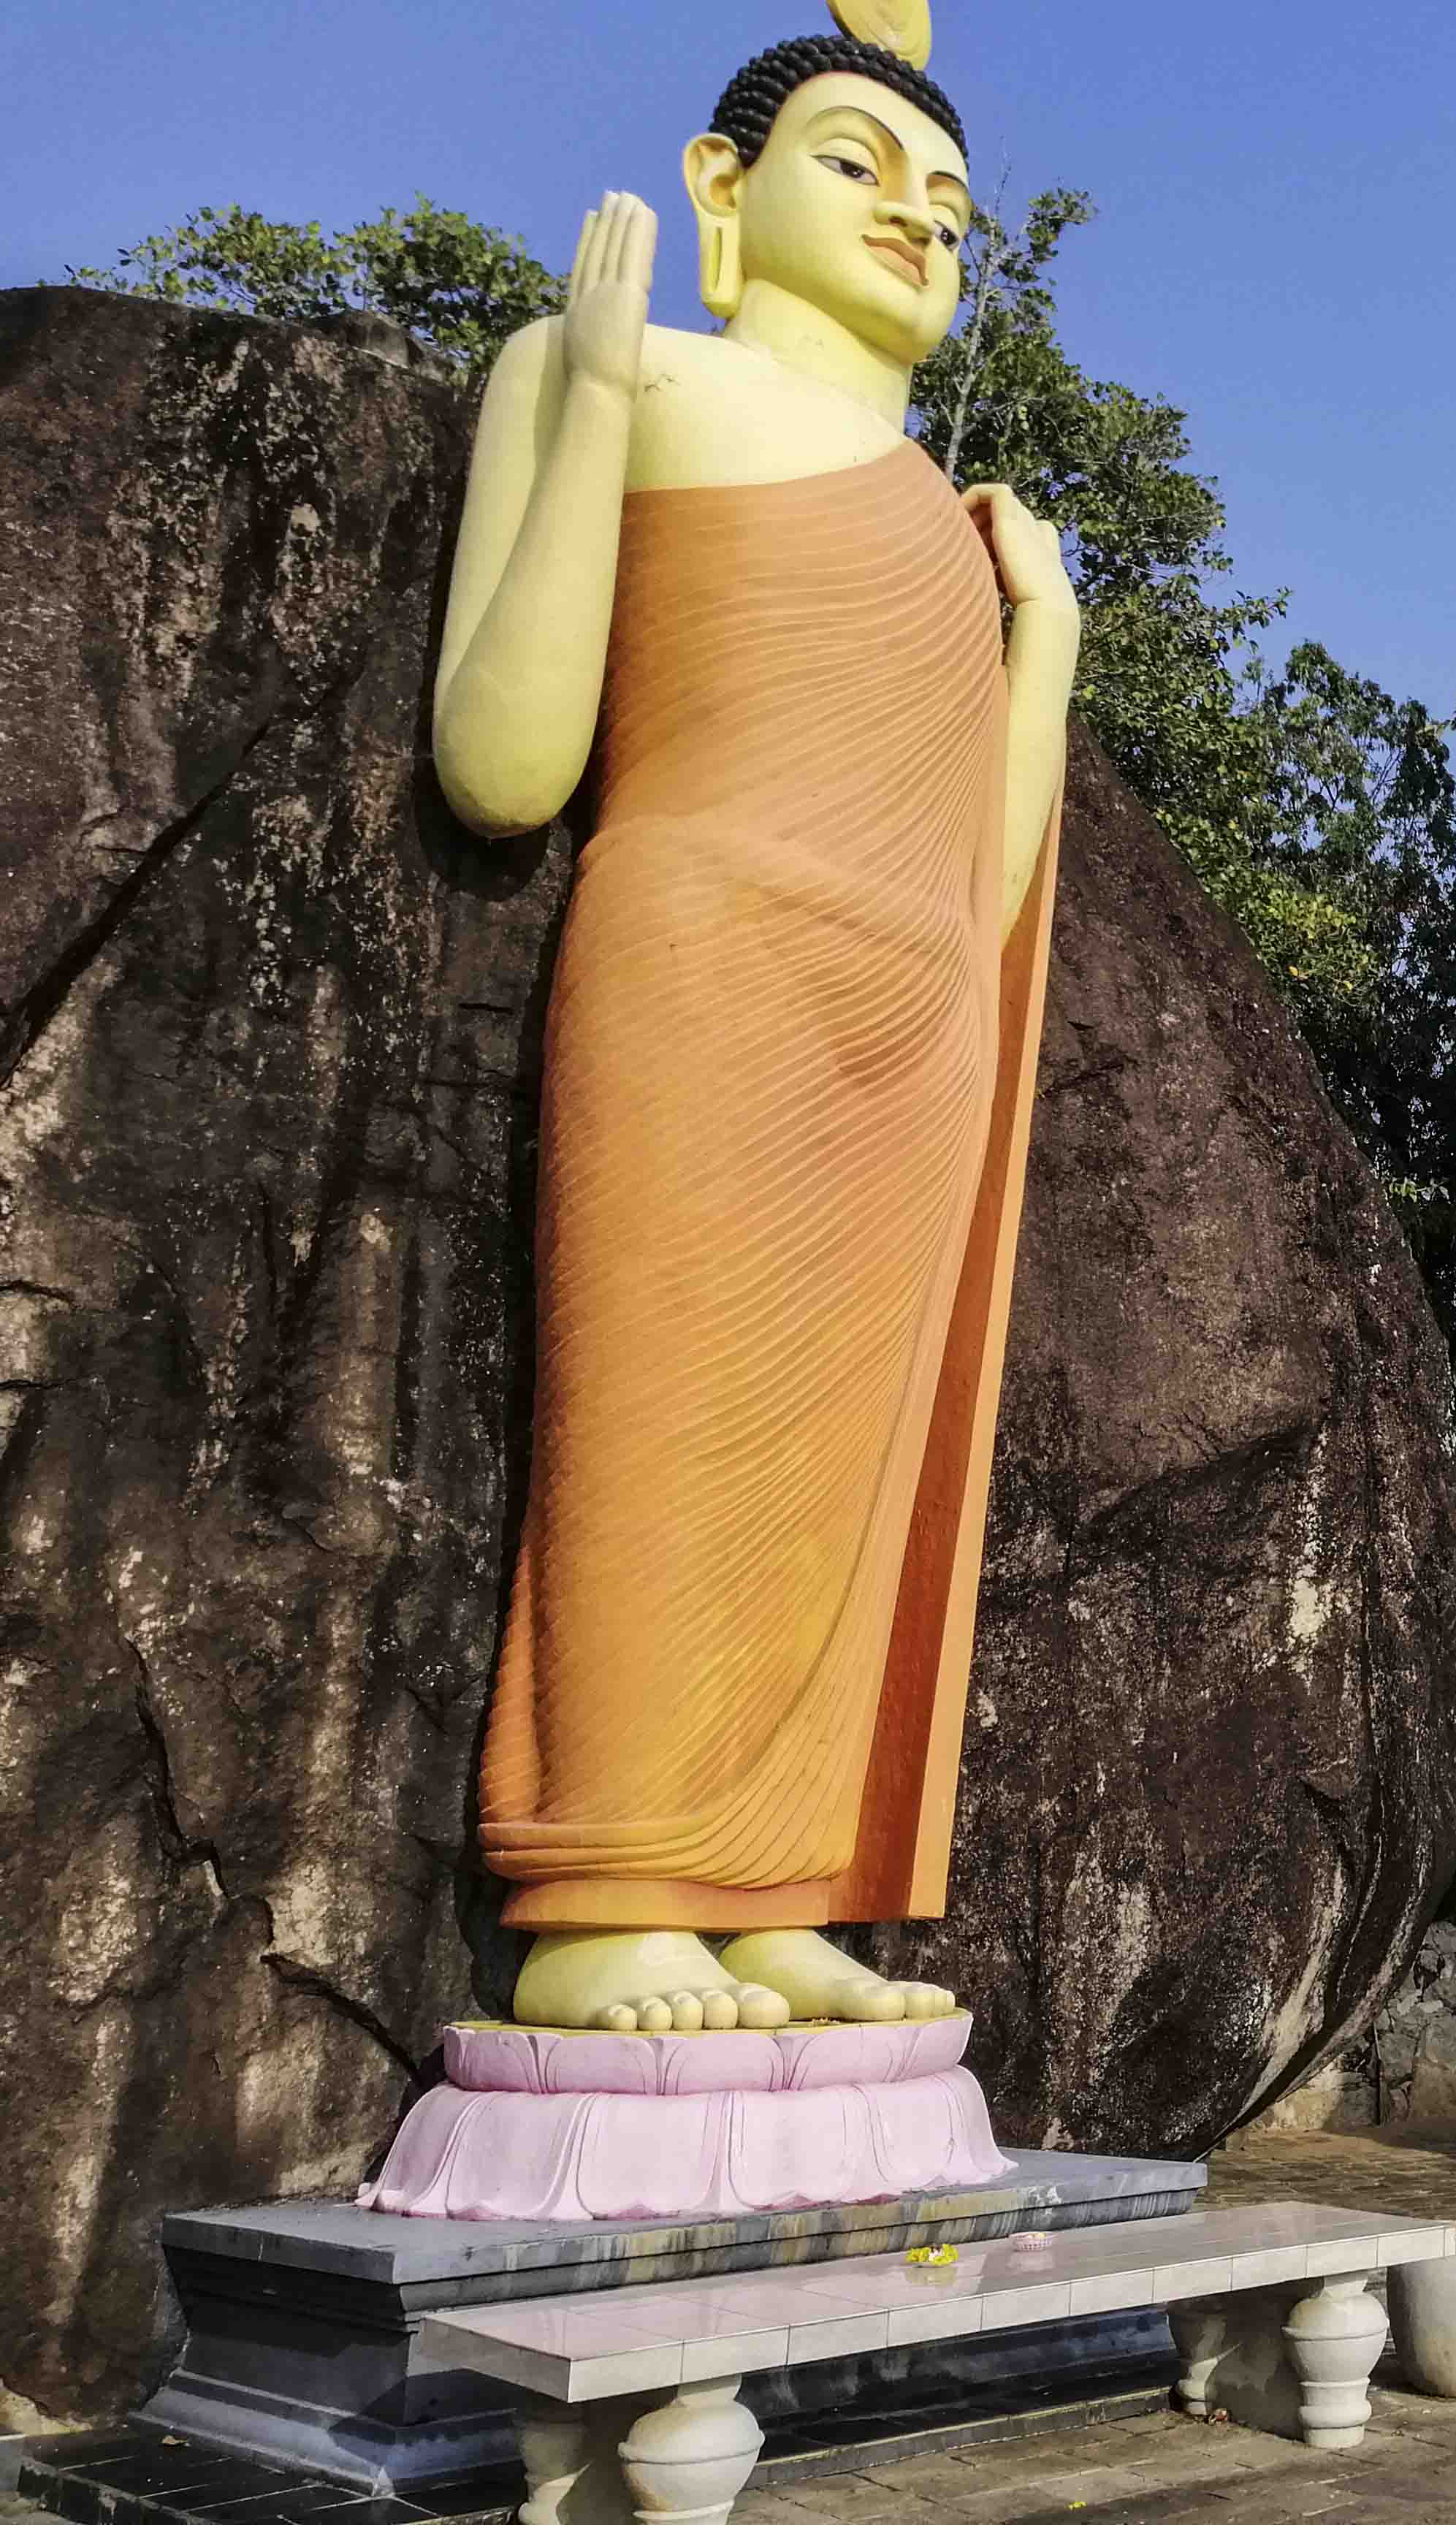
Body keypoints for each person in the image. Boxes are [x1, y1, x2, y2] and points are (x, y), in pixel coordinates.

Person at [432, 1, 1075, 2032]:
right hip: (708, 960)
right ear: (724, 185)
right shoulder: (617, 374)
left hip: (916, 1027)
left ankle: (775, 1880)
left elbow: (986, 883)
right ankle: (612, 1884)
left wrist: (1047, 636)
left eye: (951, 206)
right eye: (859, 166)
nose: (917, 221)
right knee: (662, 1415)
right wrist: (593, 400)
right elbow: (505, 761)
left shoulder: (947, 529)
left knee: (841, 1475)